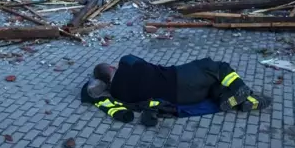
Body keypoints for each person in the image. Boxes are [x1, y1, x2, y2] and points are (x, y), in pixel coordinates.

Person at [81, 54, 270, 125]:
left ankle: (240, 101)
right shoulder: (126, 63)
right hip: (180, 77)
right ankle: (240, 88)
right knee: (214, 66)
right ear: (112, 69)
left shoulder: (118, 94)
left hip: (182, 100)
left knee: (212, 85)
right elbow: (136, 60)